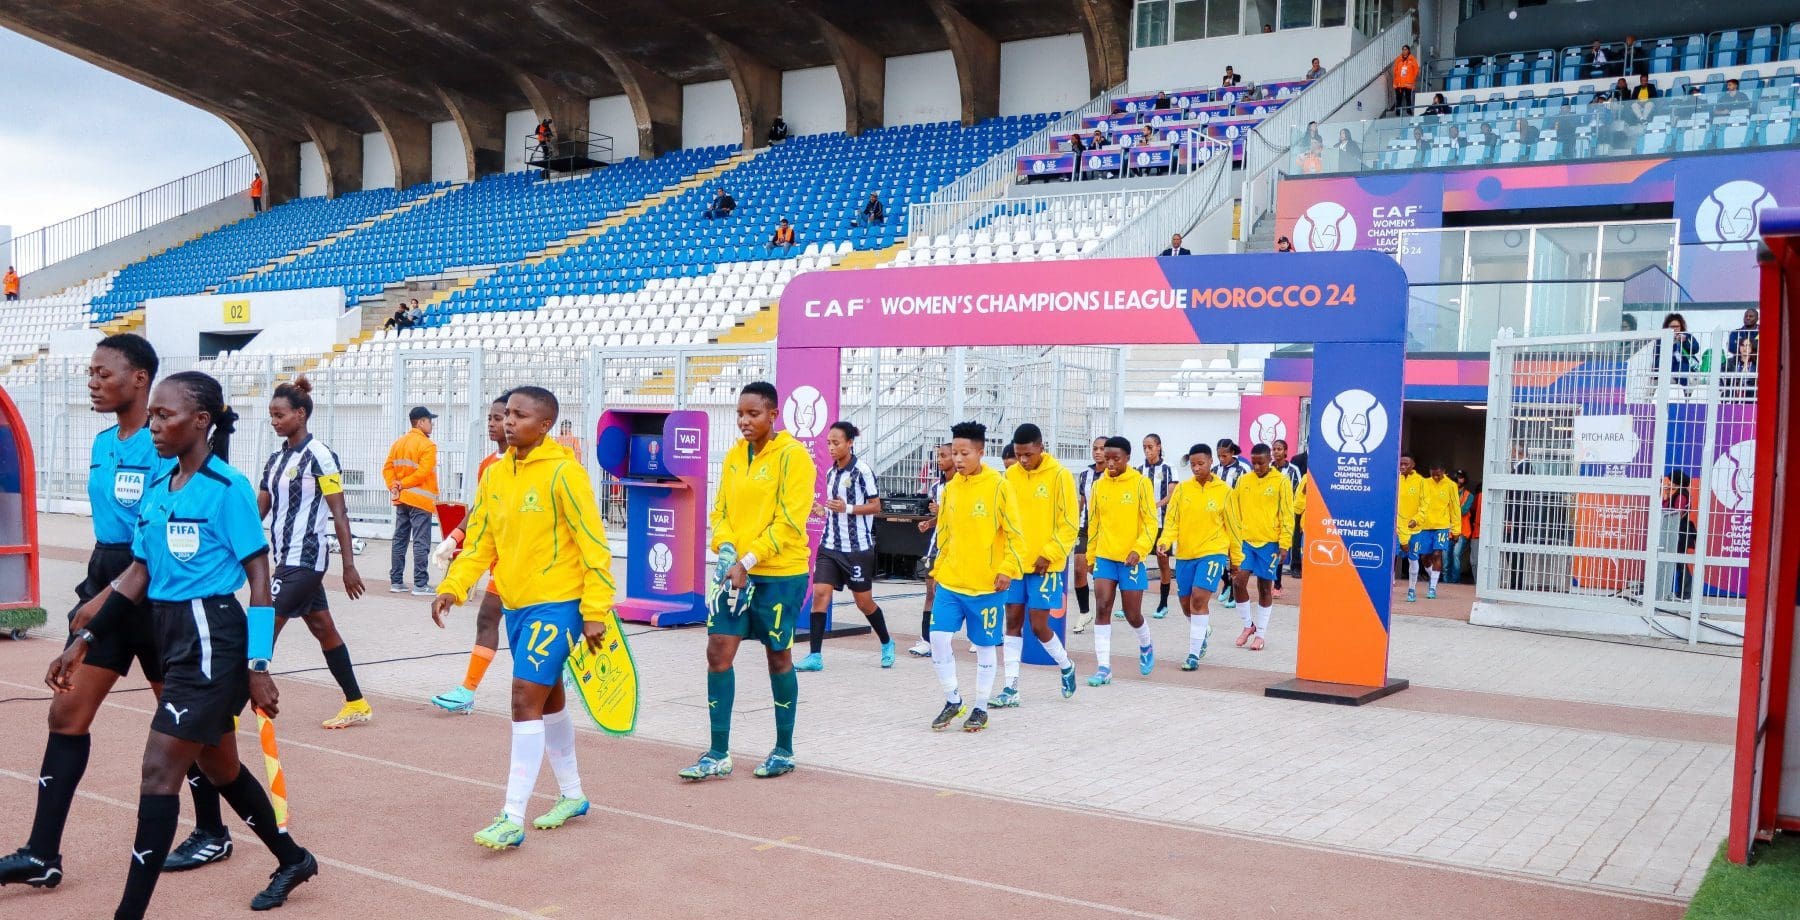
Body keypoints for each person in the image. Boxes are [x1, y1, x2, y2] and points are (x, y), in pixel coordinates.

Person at [47, 370, 318, 917]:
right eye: (150, 415)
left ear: (201, 421)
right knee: (220, 768)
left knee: (159, 769)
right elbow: (136, 576)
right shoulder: (159, 488)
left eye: (163, 415)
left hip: (212, 638)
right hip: (171, 633)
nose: (152, 425)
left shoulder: (228, 489)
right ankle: (293, 859)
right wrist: (85, 637)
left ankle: (129, 912)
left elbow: (260, 579)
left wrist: (258, 664)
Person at [0, 336, 234, 889]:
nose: (94, 381)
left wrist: (106, 598)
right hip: (107, 580)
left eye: (105, 373)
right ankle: (41, 854)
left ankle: (212, 831)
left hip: (155, 593)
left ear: (141, 378)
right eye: (90, 373)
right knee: (66, 715)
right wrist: (94, 591)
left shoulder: (168, 449)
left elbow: (159, 537)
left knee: (190, 728)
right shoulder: (105, 443)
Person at [432, 386, 614, 848]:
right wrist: (454, 586)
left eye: (519, 415)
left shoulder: (565, 474)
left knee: (521, 699)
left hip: (559, 604)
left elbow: (594, 544)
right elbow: (482, 542)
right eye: (505, 414)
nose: (508, 422)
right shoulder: (494, 475)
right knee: (548, 698)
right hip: (516, 604)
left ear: (545, 424)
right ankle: (572, 794)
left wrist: (595, 610)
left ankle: (511, 817)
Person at [680, 382, 814, 781]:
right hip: (734, 573)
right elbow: (719, 510)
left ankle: (783, 749)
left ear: (773, 415)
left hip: (779, 576)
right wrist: (724, 550)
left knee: (778, 656)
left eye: (753, 414)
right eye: (740, 414)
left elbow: (789, 524)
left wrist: (749, 559)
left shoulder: (794, 458)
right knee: (718, 653)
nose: (743, 421)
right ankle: (718, 752)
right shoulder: (736, 455)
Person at [257, 376, 370, 729]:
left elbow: (339, 512)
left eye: (280, 415)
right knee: (323, 627)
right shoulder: (276, 459)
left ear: (300, 414)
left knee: (262, 627)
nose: (274, 421)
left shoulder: (321, 456)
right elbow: (258, 510)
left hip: (305, 559)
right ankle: (356, 702)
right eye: (271, 415)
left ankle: (227, 711)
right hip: (284, 558)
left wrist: (348, 565)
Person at [430, 394, 513, 714]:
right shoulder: (488, 466)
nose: (494, 424)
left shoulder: (546, 466)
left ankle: (558, 672)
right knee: (488, 617)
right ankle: (467, 690)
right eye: (491, 418)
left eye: (501, 417)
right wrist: (455, 537)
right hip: (500, 563)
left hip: (533, 567)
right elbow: (481, 509)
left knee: (524, 632)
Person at [988, 424, 1080, 708]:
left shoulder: (1060, 476)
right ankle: (1011, 688)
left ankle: (1066, 665)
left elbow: (1069, 524)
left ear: (1041, 447)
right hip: (1015, 564)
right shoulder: (1010, 476)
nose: (1023, 460)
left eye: (1028, 454)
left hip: (1046, 567)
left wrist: (1049, 553)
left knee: (1039, 626)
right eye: (1019, 455)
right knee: (1012, 622)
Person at [799, 421, 891, 671]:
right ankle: (815, 656)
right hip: (829, 546)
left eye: (836, 442)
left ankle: (886, 642)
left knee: (864, 603)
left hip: (857, 550)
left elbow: (876, 506)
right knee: (820, 595)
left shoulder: (862, 471)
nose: (830, 447)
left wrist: (847, 508)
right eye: (828, 442)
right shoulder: (830, 473)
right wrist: (823, 510)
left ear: (850, 443)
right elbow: (835, 509)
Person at [1159, 444, 1242, 669]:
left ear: (1210, 462)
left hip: (1213, 553)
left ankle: (1193, 655)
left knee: (1198, 598)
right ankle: (1202, 631)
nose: (1196, 468)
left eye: (1201, 463)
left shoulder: (1225, 491)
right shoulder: (1183, 490)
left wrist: (1236, 558)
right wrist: (1165, 541)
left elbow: (1234, 526)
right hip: (1186, 554)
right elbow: (1172, 521)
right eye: (1193, 464)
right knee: (1186, 604)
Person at [1085, 436, 1157, 686]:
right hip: (1105, 556)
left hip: (1131, 560)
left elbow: (1150, 522)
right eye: (1107, 459)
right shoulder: (1099, 486)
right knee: (1102, 606)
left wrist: (1139, 550)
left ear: (1127, 458)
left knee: (1131, 613)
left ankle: (1146, 644)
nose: (1111, 463)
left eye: (1117, 458)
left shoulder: (1140, 484)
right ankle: (1104, 667)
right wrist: (1091, 555)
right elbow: (1094, 523)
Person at [1226, 444, 1293, 651]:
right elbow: (1234, 511)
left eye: (1260, 463)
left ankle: (1261, 635)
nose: (1256, 466)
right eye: (1253, 462)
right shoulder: (1244, 481)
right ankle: (1248, 626)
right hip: (1246, 541)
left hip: (1270, 543)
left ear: (1269, 460)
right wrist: (1233, 540)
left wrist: (1285, 544)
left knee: (1265, 587)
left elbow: (1287, 513)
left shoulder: (1281, 481)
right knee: (1238, 582)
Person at [382, 406, 439, 594]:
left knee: (400, 539)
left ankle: (396, 582)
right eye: (430, 420)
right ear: (421, 422)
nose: (432, 424)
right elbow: (422, 473)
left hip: (402, 500)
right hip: (420, 501)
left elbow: (387, 469)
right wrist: (403, 484)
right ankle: (420, 584)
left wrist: (395, 486)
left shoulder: (399, 443)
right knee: (421, 541)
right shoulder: (428, 446)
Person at [909, 442, 956, 656]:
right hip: (938, 544)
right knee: (931, 591)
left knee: (960, 594)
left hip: (959, 546)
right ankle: (926, 640)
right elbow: (943, 518)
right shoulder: (937, 486)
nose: (940, 460)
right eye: (938, 456)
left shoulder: (965, 485)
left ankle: (975, 637)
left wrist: (943, 511)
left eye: (944, 455)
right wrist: (930, 522)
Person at [1139, 434, 1177, 619]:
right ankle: (1131, 603)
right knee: (1136, 560)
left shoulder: (1169, 469)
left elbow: (1171, 496)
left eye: (1150, 447)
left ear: (1159, 447)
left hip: (1162, 524)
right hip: (1143, 525)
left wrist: (1154, 506)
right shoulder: (1138, 470)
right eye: (1144, 447)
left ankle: (1163, 603)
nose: (1147, 450)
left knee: (1163, 563)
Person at [1072, 436, 1105, 633]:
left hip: (1105, 529)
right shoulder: (1085, 474)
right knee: (1078, 566)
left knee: (1098, 571)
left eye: (1102, 448)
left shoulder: (1114, 474)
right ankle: (1084, 612)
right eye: (1095, 448)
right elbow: (1081, 502)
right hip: (1085, 527)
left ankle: (1103, 610)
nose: (1098, 452)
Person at [1415, 463, 1462, 599]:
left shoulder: (1451, 485)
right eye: (1433, 473)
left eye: (1438, 474)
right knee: (1424, 556)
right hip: (1424, 526)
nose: (1435, 476)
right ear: (1429, 471)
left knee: (1437, 554)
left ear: (1444, 471)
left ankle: (1432, 588)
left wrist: (1456, 530)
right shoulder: (1424, 483)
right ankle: (1433, 577)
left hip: (1442, 526)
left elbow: (1455, 508)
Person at [1270, 439, 1302, 597]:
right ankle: (1270, 581)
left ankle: (1277, 583)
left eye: (1279, 449)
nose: (1276, 452)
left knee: (1282, 547)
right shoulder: (1267, 469)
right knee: (1271, 548)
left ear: (1286, 451)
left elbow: (1299, 489)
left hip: (1286, 514)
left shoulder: (1293, 470)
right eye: (1274, 449)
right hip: (1269, 515)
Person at [1396, 453, 1427, 600]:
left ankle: (1411, 589)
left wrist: (1417, 519)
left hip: (1414, 528)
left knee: (1412, 559)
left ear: (1413, 465)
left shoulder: (1421, 481)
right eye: (1401, 463)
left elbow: (1425, 505)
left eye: (1405, 464)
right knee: (1391, 557)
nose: (1402, 466)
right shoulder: (1394, 479)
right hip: (1396, 528)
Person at [1449, 470, 1477, 585]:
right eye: (1456, 478)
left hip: (1462, 531)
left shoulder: (1469, 495)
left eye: (1460, 477)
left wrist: (1451, 508)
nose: (1458, 480)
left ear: (1464, 479)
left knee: (1456, 555)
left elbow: (1464, 511)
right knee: (1445, 558)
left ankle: (1455, 582)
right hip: (1448, 530)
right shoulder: (1448, 492)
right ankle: (1446, 582)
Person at [1391, 45, 1419, 115]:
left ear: (1409, 50)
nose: (1404, 51)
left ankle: (1409, 111)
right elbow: (1395, 71)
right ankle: (1398, 112)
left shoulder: (1412, 59)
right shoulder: (1398, 59)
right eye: (1403, 49)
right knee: (1398, 98)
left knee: (1408, 98)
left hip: (1408, 83)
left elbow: (1416, 70)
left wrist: (1413, 80)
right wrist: (1395, 82)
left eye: (1405, 49)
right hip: (1399, 83)